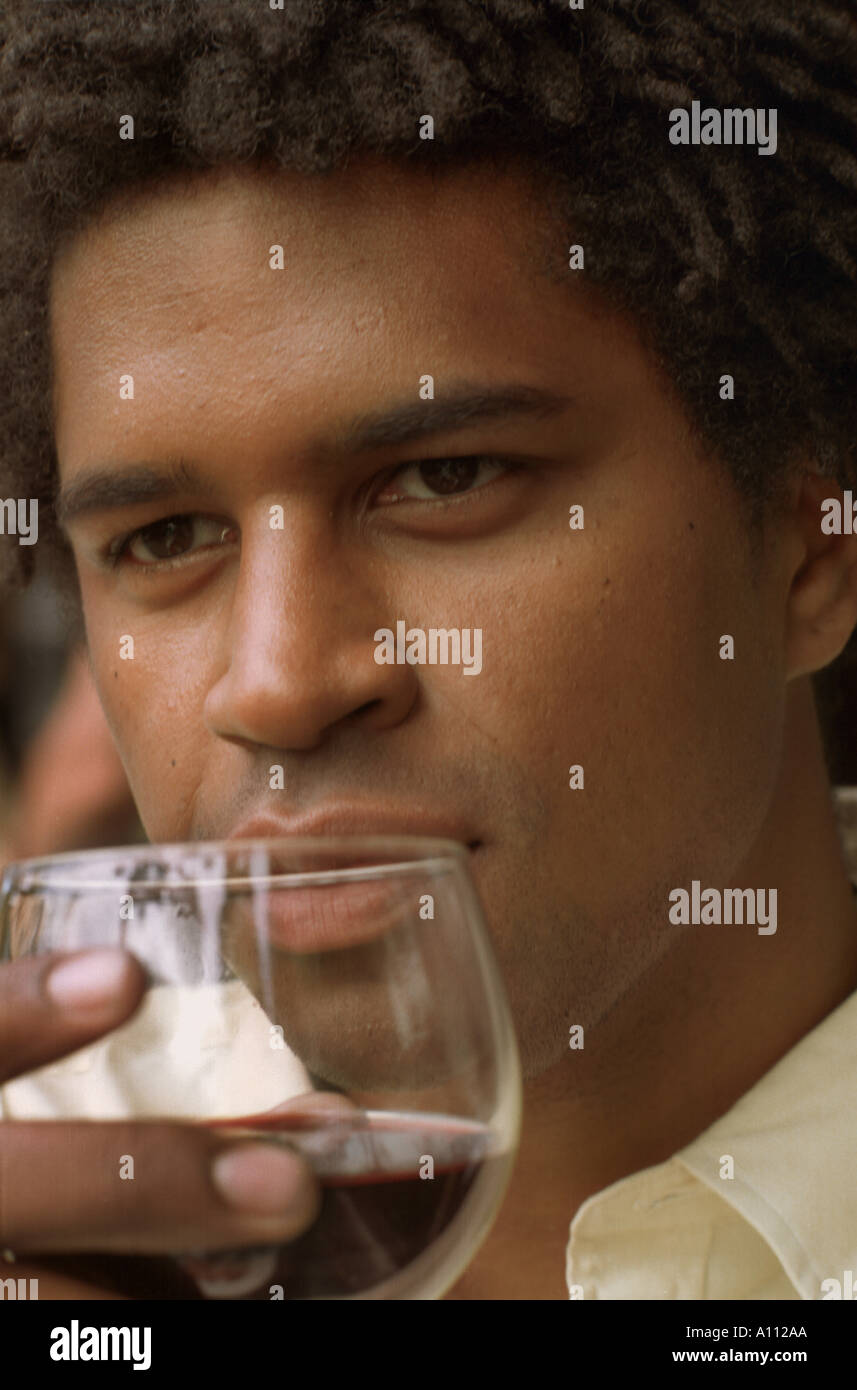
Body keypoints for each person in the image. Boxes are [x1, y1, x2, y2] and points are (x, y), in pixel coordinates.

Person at [0, 0, 856, 1301]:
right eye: (165, 533)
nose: (276, 683)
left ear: (811, 541)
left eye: (444, 477)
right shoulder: (58, 1202)